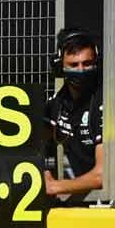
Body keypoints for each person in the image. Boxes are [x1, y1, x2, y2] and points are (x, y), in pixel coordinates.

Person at [43, 26, 103, 200]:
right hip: (82, 201)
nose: (81, 70)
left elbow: (102, 175)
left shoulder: (103, 100)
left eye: (87, 64)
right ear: (59, 66)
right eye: (74, 65)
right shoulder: (57, 103)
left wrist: (55, 186)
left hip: (109, 203)